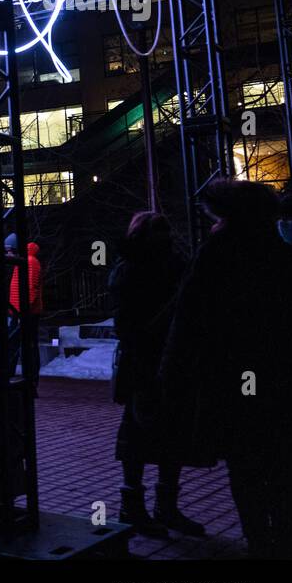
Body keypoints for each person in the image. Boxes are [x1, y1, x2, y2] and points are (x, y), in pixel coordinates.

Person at [163, 180, 292, 557]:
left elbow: (188, 319)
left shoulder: (216, 254)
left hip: (232, 378)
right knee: (283, 463)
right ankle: (284, 539)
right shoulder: (283, 254)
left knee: (246, 465)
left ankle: (259, 540)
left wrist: (172, 374)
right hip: (281, 379)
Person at [109, 211, 202, 537]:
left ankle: (143, 505)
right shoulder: (166, 267)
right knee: (149, 433)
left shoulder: (132, 268)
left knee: (151, 434)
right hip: (153, 362)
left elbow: (125, 323)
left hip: (149, 362)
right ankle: (151, 506)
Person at [6, 233, 43, 383]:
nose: (7, 254)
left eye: (9, 250)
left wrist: (23, 311)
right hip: (20, 311)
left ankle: (31, 377)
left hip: (25, 312)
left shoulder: (29, 262)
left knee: (28, 344)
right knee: (17, 343)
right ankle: (13, 372)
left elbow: (30, 289)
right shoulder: (23, 262)